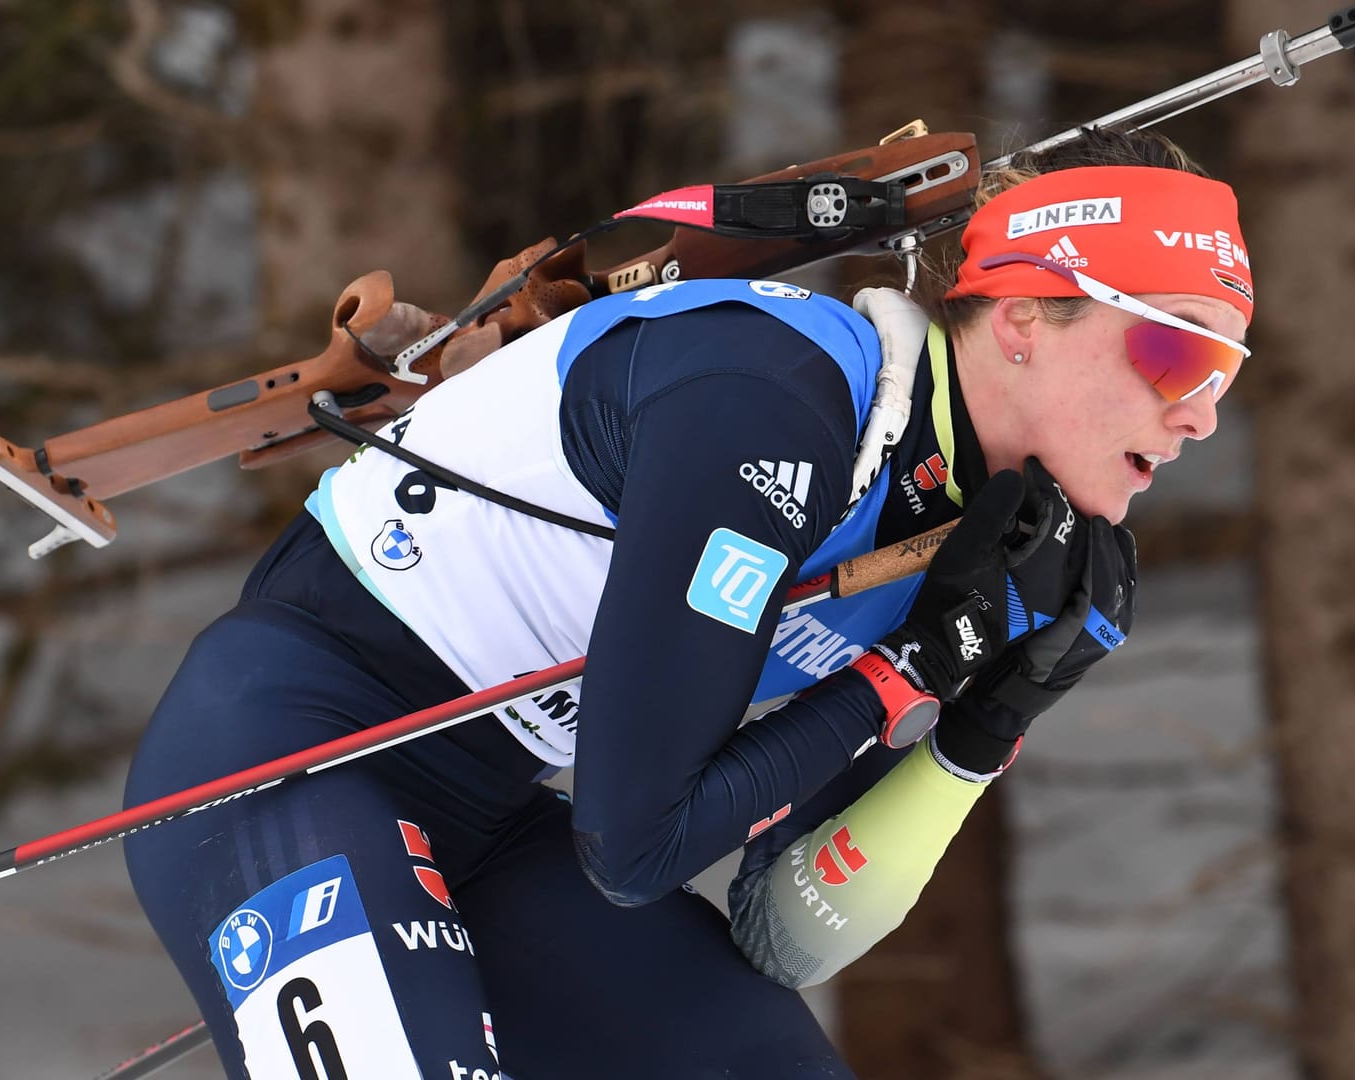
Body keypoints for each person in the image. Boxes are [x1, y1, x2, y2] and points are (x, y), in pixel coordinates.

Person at [121, 125, 1254, 1079]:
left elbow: (786, 930)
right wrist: (907, 670)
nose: (1199, 413)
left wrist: (976, 728)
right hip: (283, 757)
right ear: (1019, 320)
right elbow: (637, 840)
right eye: (1170, 351)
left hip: (493, 814)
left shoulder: (955, 539)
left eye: (1225, 376)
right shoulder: (776, 401)